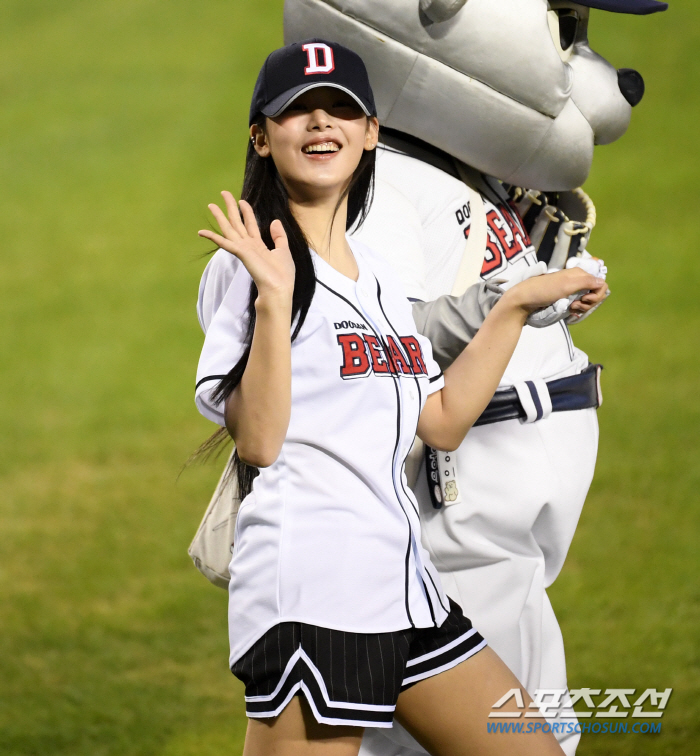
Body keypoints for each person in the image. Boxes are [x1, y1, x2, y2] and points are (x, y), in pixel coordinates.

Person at [194, 40, 606, 756]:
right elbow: (257, 441)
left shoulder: (377, 279)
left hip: (405, 583)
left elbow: (439, 422)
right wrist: (270, 299)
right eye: (299, 111)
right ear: (261, 137)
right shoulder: (251, 268)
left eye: (342, 110)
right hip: (317, 591)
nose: (322, 125)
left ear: (371, 132)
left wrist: (515, 306)